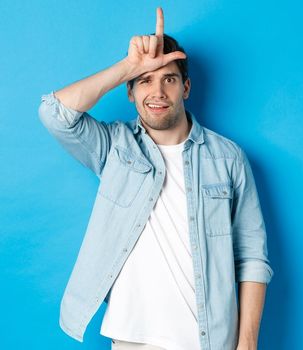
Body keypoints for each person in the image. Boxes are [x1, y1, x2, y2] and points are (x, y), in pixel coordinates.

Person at [37, 7, 273, 350]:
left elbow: (252, 257)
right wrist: (128, 67)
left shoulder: (228, 158)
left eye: (169, 79)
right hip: (133, 340)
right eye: (145, 80)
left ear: (186, 87)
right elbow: (54, 114)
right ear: (130, 91)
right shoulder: (114, 147)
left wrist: (247, 343)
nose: (157, 91)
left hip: (209, 340)